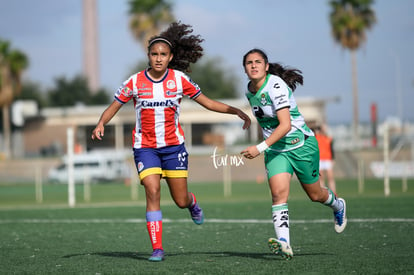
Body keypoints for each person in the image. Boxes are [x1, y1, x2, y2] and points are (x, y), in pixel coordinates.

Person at [91, 22, 251, 262]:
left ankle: (192, 203)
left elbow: (207, 102)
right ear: (148, 56)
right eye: (154, 54)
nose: (158, 59)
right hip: (145, 148)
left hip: (173, 148)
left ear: (170, 57)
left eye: (163, 55)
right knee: (152, 191)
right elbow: (114, 106)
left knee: (180, 200)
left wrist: (235, 111)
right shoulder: (135, 82)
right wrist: (101, 123)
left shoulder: (179, 79)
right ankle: (157, 248)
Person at [240, 48, 347, 260]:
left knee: (315, 194)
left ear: (266, 66)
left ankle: (338, 204)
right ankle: (284, 243)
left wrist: (259, 147)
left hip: (302, 146)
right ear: (244, 68)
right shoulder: (250, 90)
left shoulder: (276, 85)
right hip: (278, 150)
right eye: (249, 62)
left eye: (258, 62)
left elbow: (286, 125)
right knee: (278, 193)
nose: (253, 65)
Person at [314, 125, 337, 193]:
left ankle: (334, 192)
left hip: (328, 159)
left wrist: (333, 159)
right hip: (320, 159)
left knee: (330, 177)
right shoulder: (316, 137)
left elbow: (331, 149)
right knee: (321, 177)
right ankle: (323, 192)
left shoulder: (328, 138)